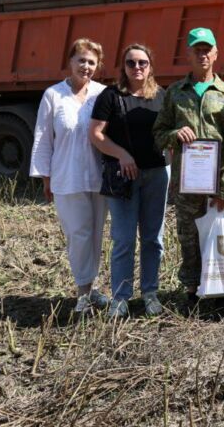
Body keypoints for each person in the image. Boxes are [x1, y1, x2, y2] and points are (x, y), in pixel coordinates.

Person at [152, 27, 224, 314]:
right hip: (187, 182)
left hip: (217, 182)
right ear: (188, 55)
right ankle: (192, 294)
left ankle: (222, 295)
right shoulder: (175, 93)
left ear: (215, 54)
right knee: (189, 237)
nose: (202, 54)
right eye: (197, 50)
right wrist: (174, 134)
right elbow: (159, 133)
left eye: (207, 49)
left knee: (220, 236)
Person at [89, 44, 169, 318]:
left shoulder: (162, 96)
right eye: (131, 63)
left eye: (142, 62)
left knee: (153, 238)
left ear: (150, 66)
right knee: (123, 239)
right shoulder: (111, 96)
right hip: (123, 177)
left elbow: (170, 130)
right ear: (123, 67)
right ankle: (121, 297)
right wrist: (121, 154)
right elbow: (96, 133)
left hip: (156, 175)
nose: (137, 67)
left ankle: (150, 293)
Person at [30, 38, 109, 313]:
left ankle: (92, 287)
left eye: (91, 62)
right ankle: (82, 293)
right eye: (81, 60)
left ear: (98, 66)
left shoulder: (102, 94)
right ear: (70, 62)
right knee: (79, 234)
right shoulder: (53, 95)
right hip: (67, 177)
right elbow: (43, 138)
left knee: (95, 234)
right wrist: (45, 177)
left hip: (99, 177)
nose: (86, 66)